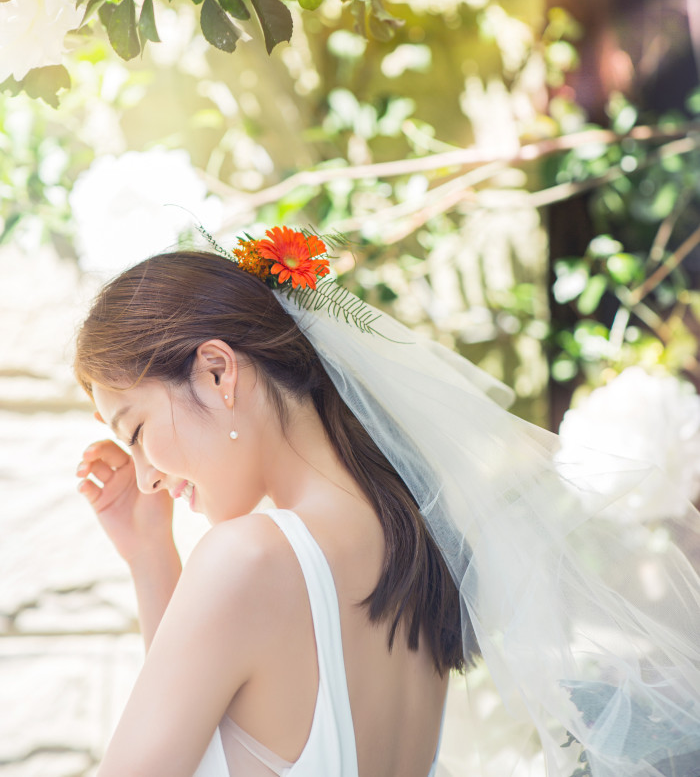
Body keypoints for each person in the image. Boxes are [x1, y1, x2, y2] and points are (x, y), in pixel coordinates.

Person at [75, 236, 700, 777]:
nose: (145, 478)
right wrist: (150, 554)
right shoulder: (415, 543)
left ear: (217, 372)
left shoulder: (247, 558)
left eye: (136, 431)